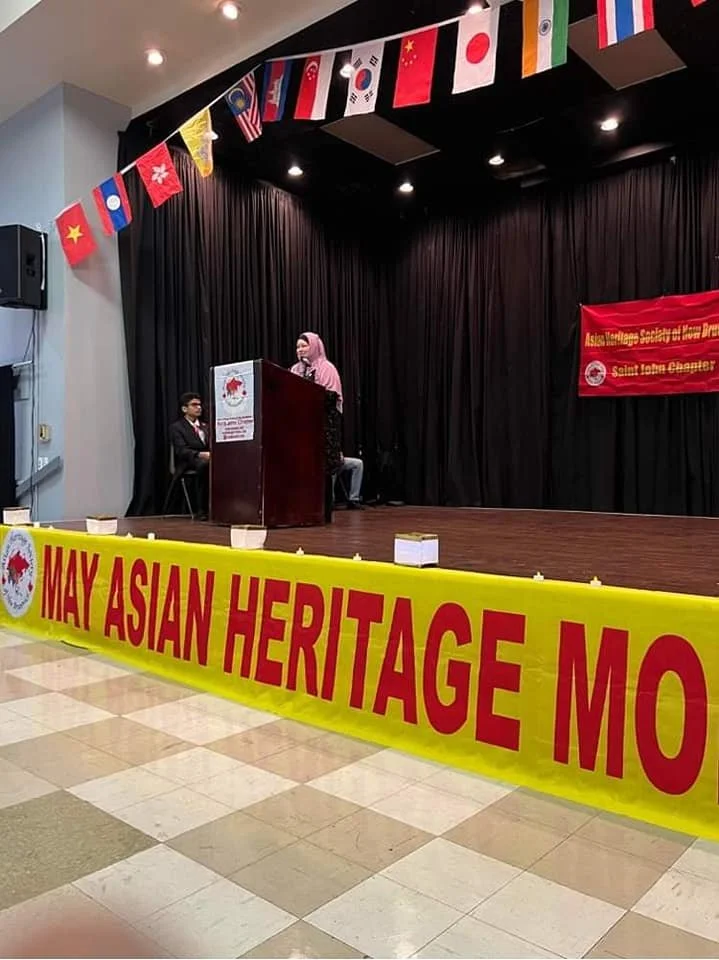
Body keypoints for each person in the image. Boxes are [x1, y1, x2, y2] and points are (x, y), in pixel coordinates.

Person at [291, 333, 343, 521]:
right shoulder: (296, 369)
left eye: (304, 346)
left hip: (323, 426)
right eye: (298, 347)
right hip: (301, 426)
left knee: (321, 470)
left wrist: (307, 392)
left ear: (314, 346)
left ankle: (322, 513)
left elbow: (331, 397)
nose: (300, 350)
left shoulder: (326, 368)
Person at [169, 392, 210, 517]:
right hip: (188, 462)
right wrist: (199, 454)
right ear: (184, 409)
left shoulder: (206, 426)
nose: (199, 407)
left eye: (199, 405)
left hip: (207, 459)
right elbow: (181, 450)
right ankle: (201, 509)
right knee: (204, 466)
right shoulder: (177, 427)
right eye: (194, 405)